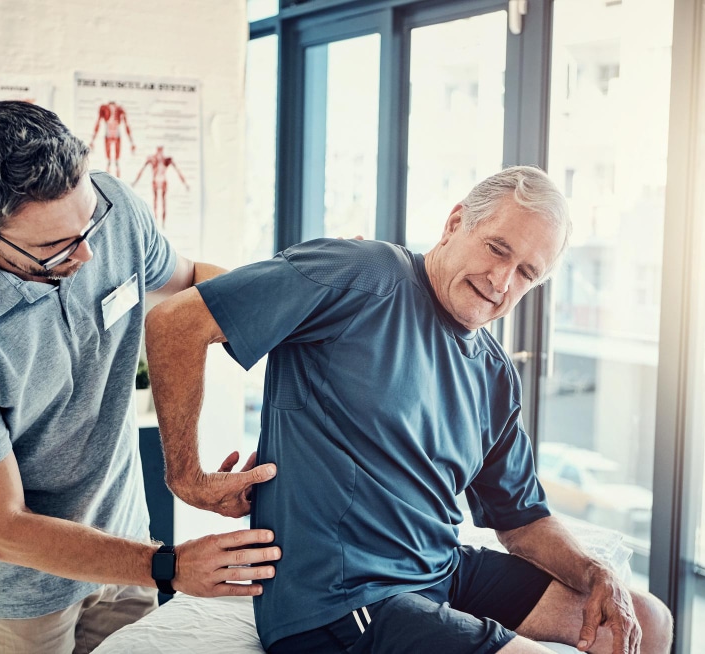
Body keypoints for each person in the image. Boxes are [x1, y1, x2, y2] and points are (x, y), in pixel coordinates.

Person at [145, 166, 674, 654]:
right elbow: (176, 323)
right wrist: (185, 475)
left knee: (647, 618)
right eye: (496, 248)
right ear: (455, 222)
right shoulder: (358, 273)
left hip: (439, 571)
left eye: (526, 273)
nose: (501, 280)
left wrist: (595, 571)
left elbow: (522, 522)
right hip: (339, 598)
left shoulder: (492, 372)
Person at [0, 100, 280, 654]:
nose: (90, 252)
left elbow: (191, 285)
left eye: (89, 221)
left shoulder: (110, 207)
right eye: (55, 249)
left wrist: (297, 304)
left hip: (127, 552)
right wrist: (168, 566)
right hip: (22, 595)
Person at [132, 145, 189, 228]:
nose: (160, 152)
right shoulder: (152, 159)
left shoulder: (167, 160)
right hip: (155, 181)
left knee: (163, 202)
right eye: (159, 150)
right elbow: (142, 170)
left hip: (163, 181)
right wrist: (135, 182)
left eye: (161, 150)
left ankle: (163, 224)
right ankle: (156, 224)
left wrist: (185, 183)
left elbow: (177, 171)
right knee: (155, 202)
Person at [90, 100, 135, 177]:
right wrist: (92, 140)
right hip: (109, 134)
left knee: (116, 161)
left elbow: (126, 125)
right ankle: (108, 177)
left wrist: (132, 142)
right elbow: (98, 122)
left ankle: (117, 180)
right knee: (109, 161)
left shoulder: (120, 109)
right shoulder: (104, 108)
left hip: (115, 134)